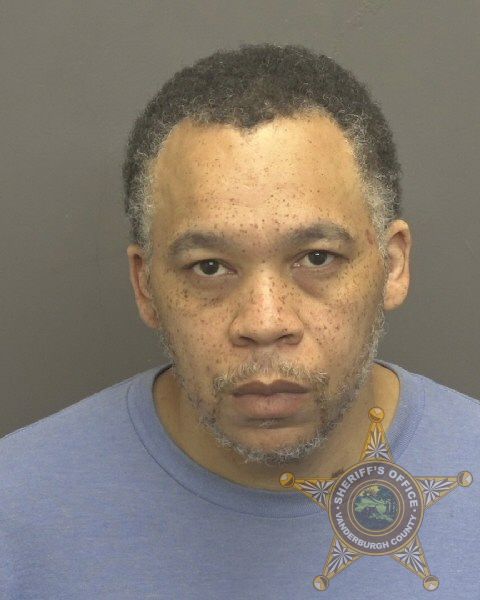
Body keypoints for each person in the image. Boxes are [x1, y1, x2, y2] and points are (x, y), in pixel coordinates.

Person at [1, 44, 478, 600]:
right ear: (145, 285)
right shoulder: (15, 507)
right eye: (209, 267)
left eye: (317, 258)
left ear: (392, 266)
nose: (265, 322)